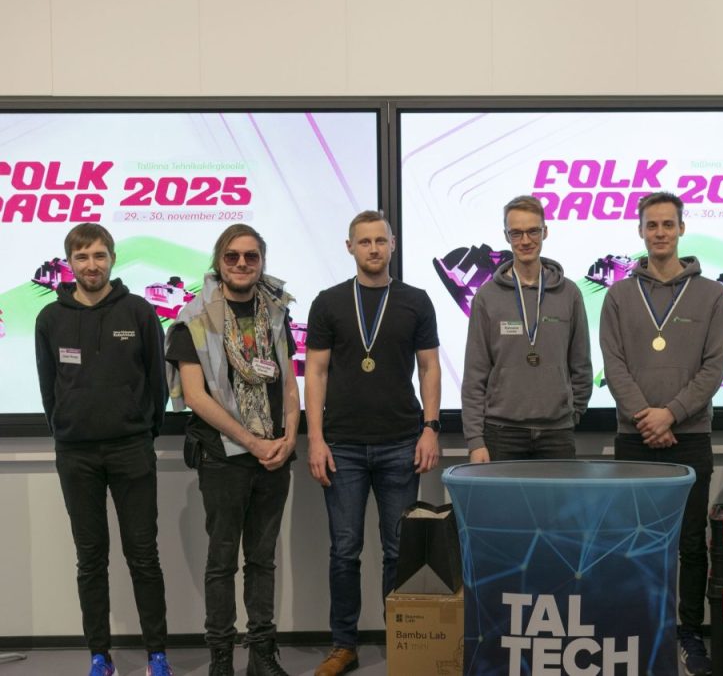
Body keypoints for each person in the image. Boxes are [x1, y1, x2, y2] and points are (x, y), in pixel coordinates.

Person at [599, 191, 723, 675]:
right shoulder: (618, 296)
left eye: (668, 224)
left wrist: (670, 415)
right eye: (651, 225)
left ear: (681, 229)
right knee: (633, 541)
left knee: (691, 544)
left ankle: (689, 633)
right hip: (634, 437)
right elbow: (613, 365)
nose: (660, 233)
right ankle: (638, 627)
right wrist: (646, 417)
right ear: (640, 231)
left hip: (689, 437)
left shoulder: (713, 295)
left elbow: (713, 369)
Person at [305, 210, 441, 676]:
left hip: (401, 442)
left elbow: (429, 367)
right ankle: (344, 645)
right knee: (345, 550)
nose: (373, 249)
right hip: (341, 446)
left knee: (398, 550)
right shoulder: (328, 302)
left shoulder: (415, 301)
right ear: (350, 247)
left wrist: (430, 428)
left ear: (393, 244)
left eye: (380, 241)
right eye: (364, 242)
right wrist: (315, 439)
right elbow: (315, 372)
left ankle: (401, 642)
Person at [35, 224, 174, 676]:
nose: (91, 265)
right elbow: (48, 389)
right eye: (82, 257)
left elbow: (158, 382)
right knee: (90, 559)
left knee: (144, 556)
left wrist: (142, 431)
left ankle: (157, 655)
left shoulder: (139, 311)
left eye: (99, 255)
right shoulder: (50, 319)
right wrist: (66, 428)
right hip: (76, 455)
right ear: (70, 263)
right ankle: (100, 655)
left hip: (131, 449)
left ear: (112, 258)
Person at [165, 224, 299, 676]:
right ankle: (221, 658)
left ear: (261, 261)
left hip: (274, 456)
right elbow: (195, 396)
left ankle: (262, 655)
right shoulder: (194, 317)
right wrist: (254, 442)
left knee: (262, 560)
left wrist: (288, 438)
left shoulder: (276, 311)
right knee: (221, 562)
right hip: (223, 458)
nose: (242, 264)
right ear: (218, 262)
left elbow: (290, 382)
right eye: (232, 256)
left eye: (251, 256)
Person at [462, 194, 592, 461]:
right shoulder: (487, 297)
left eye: (533, 231)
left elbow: (581, 364)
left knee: (559, 494)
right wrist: (475, 440)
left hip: (557, 434)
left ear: (545, 231)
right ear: (506, 236)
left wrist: (572, 412)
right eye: (516, 233)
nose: (525, 240)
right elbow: (475, 374)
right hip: (501, 433)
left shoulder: (569, 293)